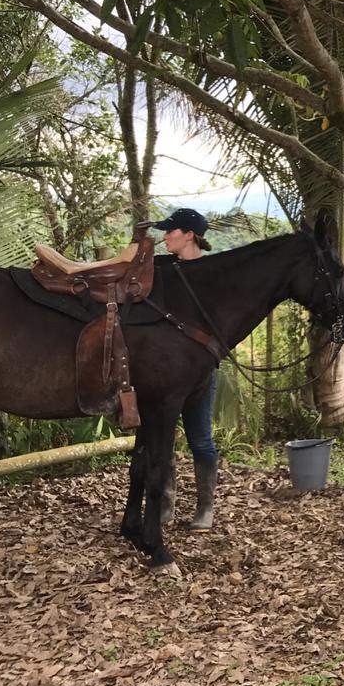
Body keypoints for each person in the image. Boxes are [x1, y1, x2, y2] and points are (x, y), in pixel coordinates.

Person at [153, 208, 219, 531]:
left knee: (200, 440)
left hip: (201, 373)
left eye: (170, 231)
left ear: (189, 235)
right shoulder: (164, 270)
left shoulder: (212, 273)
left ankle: (205, 508)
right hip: (166, 372)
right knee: (162, 438)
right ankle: (166, 506)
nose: (165, 236)